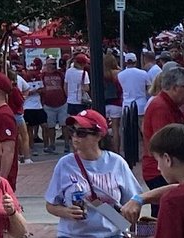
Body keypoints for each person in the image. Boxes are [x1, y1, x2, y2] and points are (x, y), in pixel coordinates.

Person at [44, 109, 143, 237]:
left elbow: (134, 201)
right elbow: (50, 205)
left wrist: (129, 217)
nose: (75, 137)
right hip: (72, 235)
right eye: (72, 131)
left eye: (81, 133)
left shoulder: (116, 162)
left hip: (111, 234)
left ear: (99, 136)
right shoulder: (64, 164)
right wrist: (65, 211)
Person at [122, 123, 184, 238]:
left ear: (167, 159)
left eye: (157, 161)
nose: (158, 167)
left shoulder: (172, 200)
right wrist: (140, 198)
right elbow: (182, 188)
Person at [141, 65, 184, 216]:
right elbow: (165, 143)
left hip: (165, 169)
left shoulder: (168, 105)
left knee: (163, 213)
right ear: (175, 87)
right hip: (160, 170)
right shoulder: (161, 107)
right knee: (162, 215)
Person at [38, 56, 68, 154]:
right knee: (50, 126)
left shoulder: (60, 74)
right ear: (47, 65)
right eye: (51, 64)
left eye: (55, 64)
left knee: (64, 125)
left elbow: (65, 86)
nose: (54, 66)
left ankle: (67, 144)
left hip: (62, 103)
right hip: (48, 104)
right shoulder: (42, 75)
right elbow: (40, 88)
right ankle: (52, 144)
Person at [102, 54, 124, 153]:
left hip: (104, 103)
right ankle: (116, 151)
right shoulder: (118, 73)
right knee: (115, 129)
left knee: (104, 127)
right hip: (116, 102)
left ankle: (106, 149)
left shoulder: (101, 73)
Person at [64, 54, 90, 119]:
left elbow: (65, 86)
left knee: (72, 120)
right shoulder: (84, 73)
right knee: (82, 120)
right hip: (80, 101)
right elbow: (86, 88)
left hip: (70, 101)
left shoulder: (68, 71)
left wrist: (68, 96)